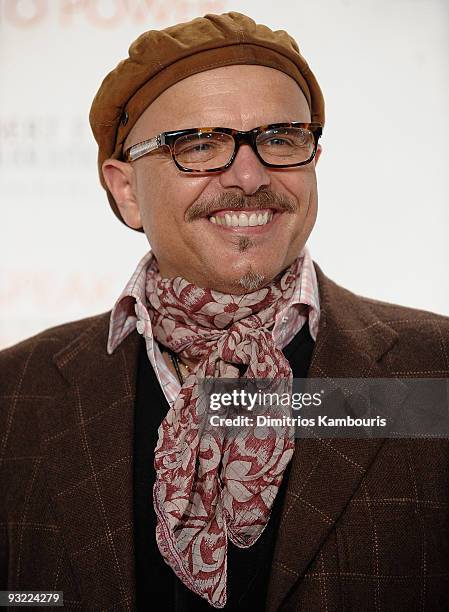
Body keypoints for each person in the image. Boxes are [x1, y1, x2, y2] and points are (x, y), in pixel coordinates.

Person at [1, 11, 448, 612]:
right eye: (200, 145)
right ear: (126, 189)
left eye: (281, 138)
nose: (248, 173)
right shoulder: (14, 392)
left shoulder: (435, 372)